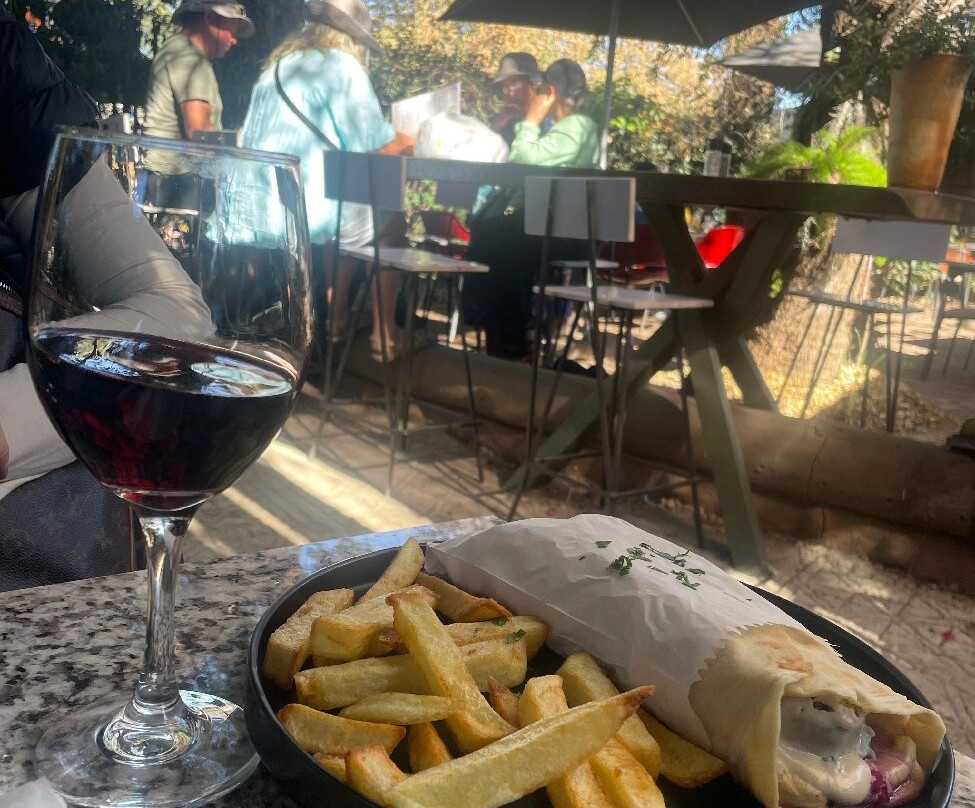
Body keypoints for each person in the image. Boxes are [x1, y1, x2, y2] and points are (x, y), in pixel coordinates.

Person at [1, 7, 211, 589]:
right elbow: (200, 136)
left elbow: (178, 314)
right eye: (225, 24)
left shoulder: (13, 91)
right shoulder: (190, 62)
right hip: (177, 181)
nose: (228, 36)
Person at [237, 0, 414, 361]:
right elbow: (373, 147)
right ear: (353, 39)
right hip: (315, 210)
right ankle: (384, 333)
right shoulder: (343, 67)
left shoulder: (275, 68)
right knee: (390, 221)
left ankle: (336, 317)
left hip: (265, 209)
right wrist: (410, 140)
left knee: (352, 219)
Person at [464, 58, 599, 360]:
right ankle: (502, 336)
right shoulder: (573, 127)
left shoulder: (576, 126)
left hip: (561, 233)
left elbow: (523, 161)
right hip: (553, 227)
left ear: (549, 92)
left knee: (496, 239)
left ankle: (509, 340)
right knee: (492, 234)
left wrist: (531, 121)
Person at [141, 0, 254, 207]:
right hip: (181, 184)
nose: (234, 40)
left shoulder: (177, 49)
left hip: (168, 181)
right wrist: (244, 155)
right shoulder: (188, 56)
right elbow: (200, 133)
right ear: (209, 17)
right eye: (231, 30)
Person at [488, 52, 541, 146]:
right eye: (504, 87)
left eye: (515, 84)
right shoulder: (499, 121)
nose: (510, 93)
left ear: (533, 84)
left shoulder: (550, 121)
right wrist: (497, 124)